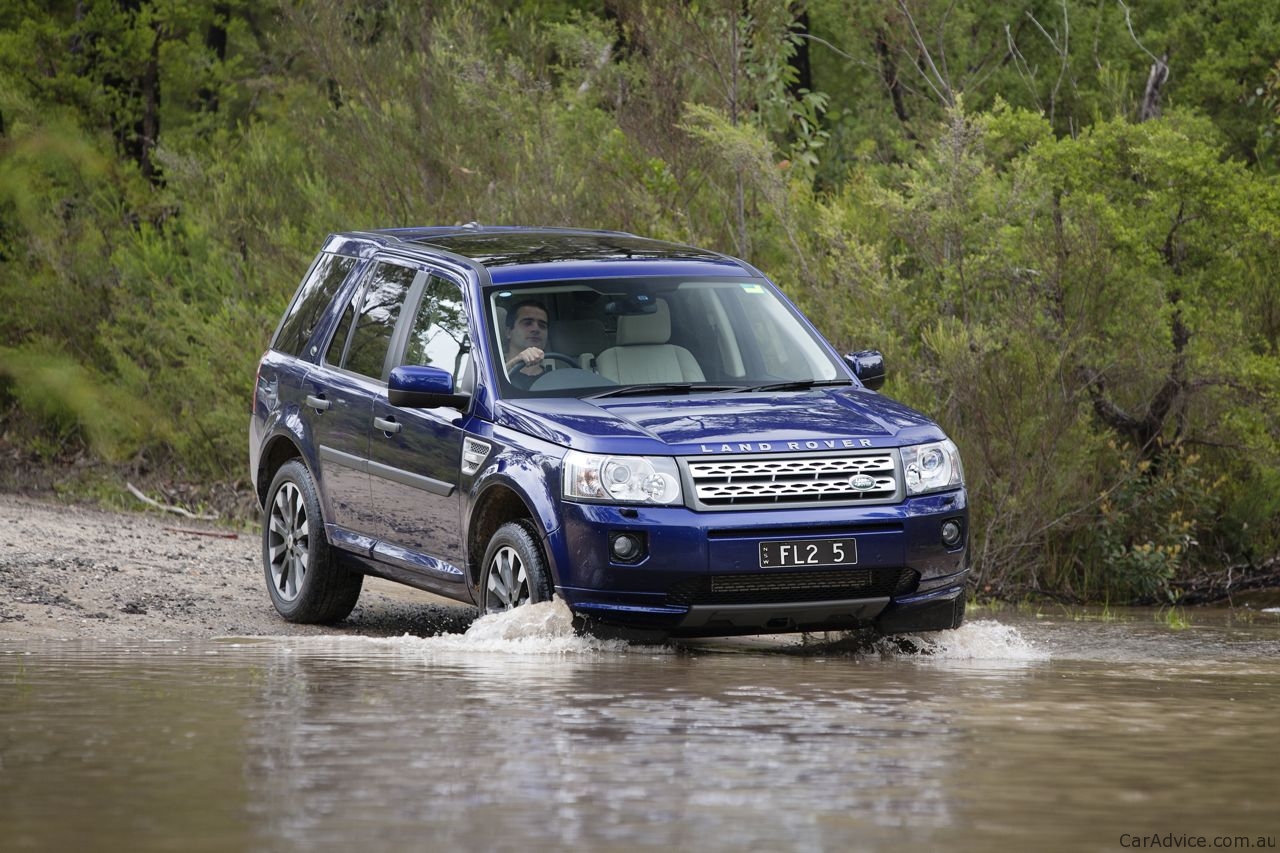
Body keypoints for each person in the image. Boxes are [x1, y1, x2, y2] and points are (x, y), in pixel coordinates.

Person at [503, 299, 550, 389]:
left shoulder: (557, 377)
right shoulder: (490, 371)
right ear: (509, 332)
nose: (536, 329)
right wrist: (514, 362)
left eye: (542, 325)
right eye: (527, 323)